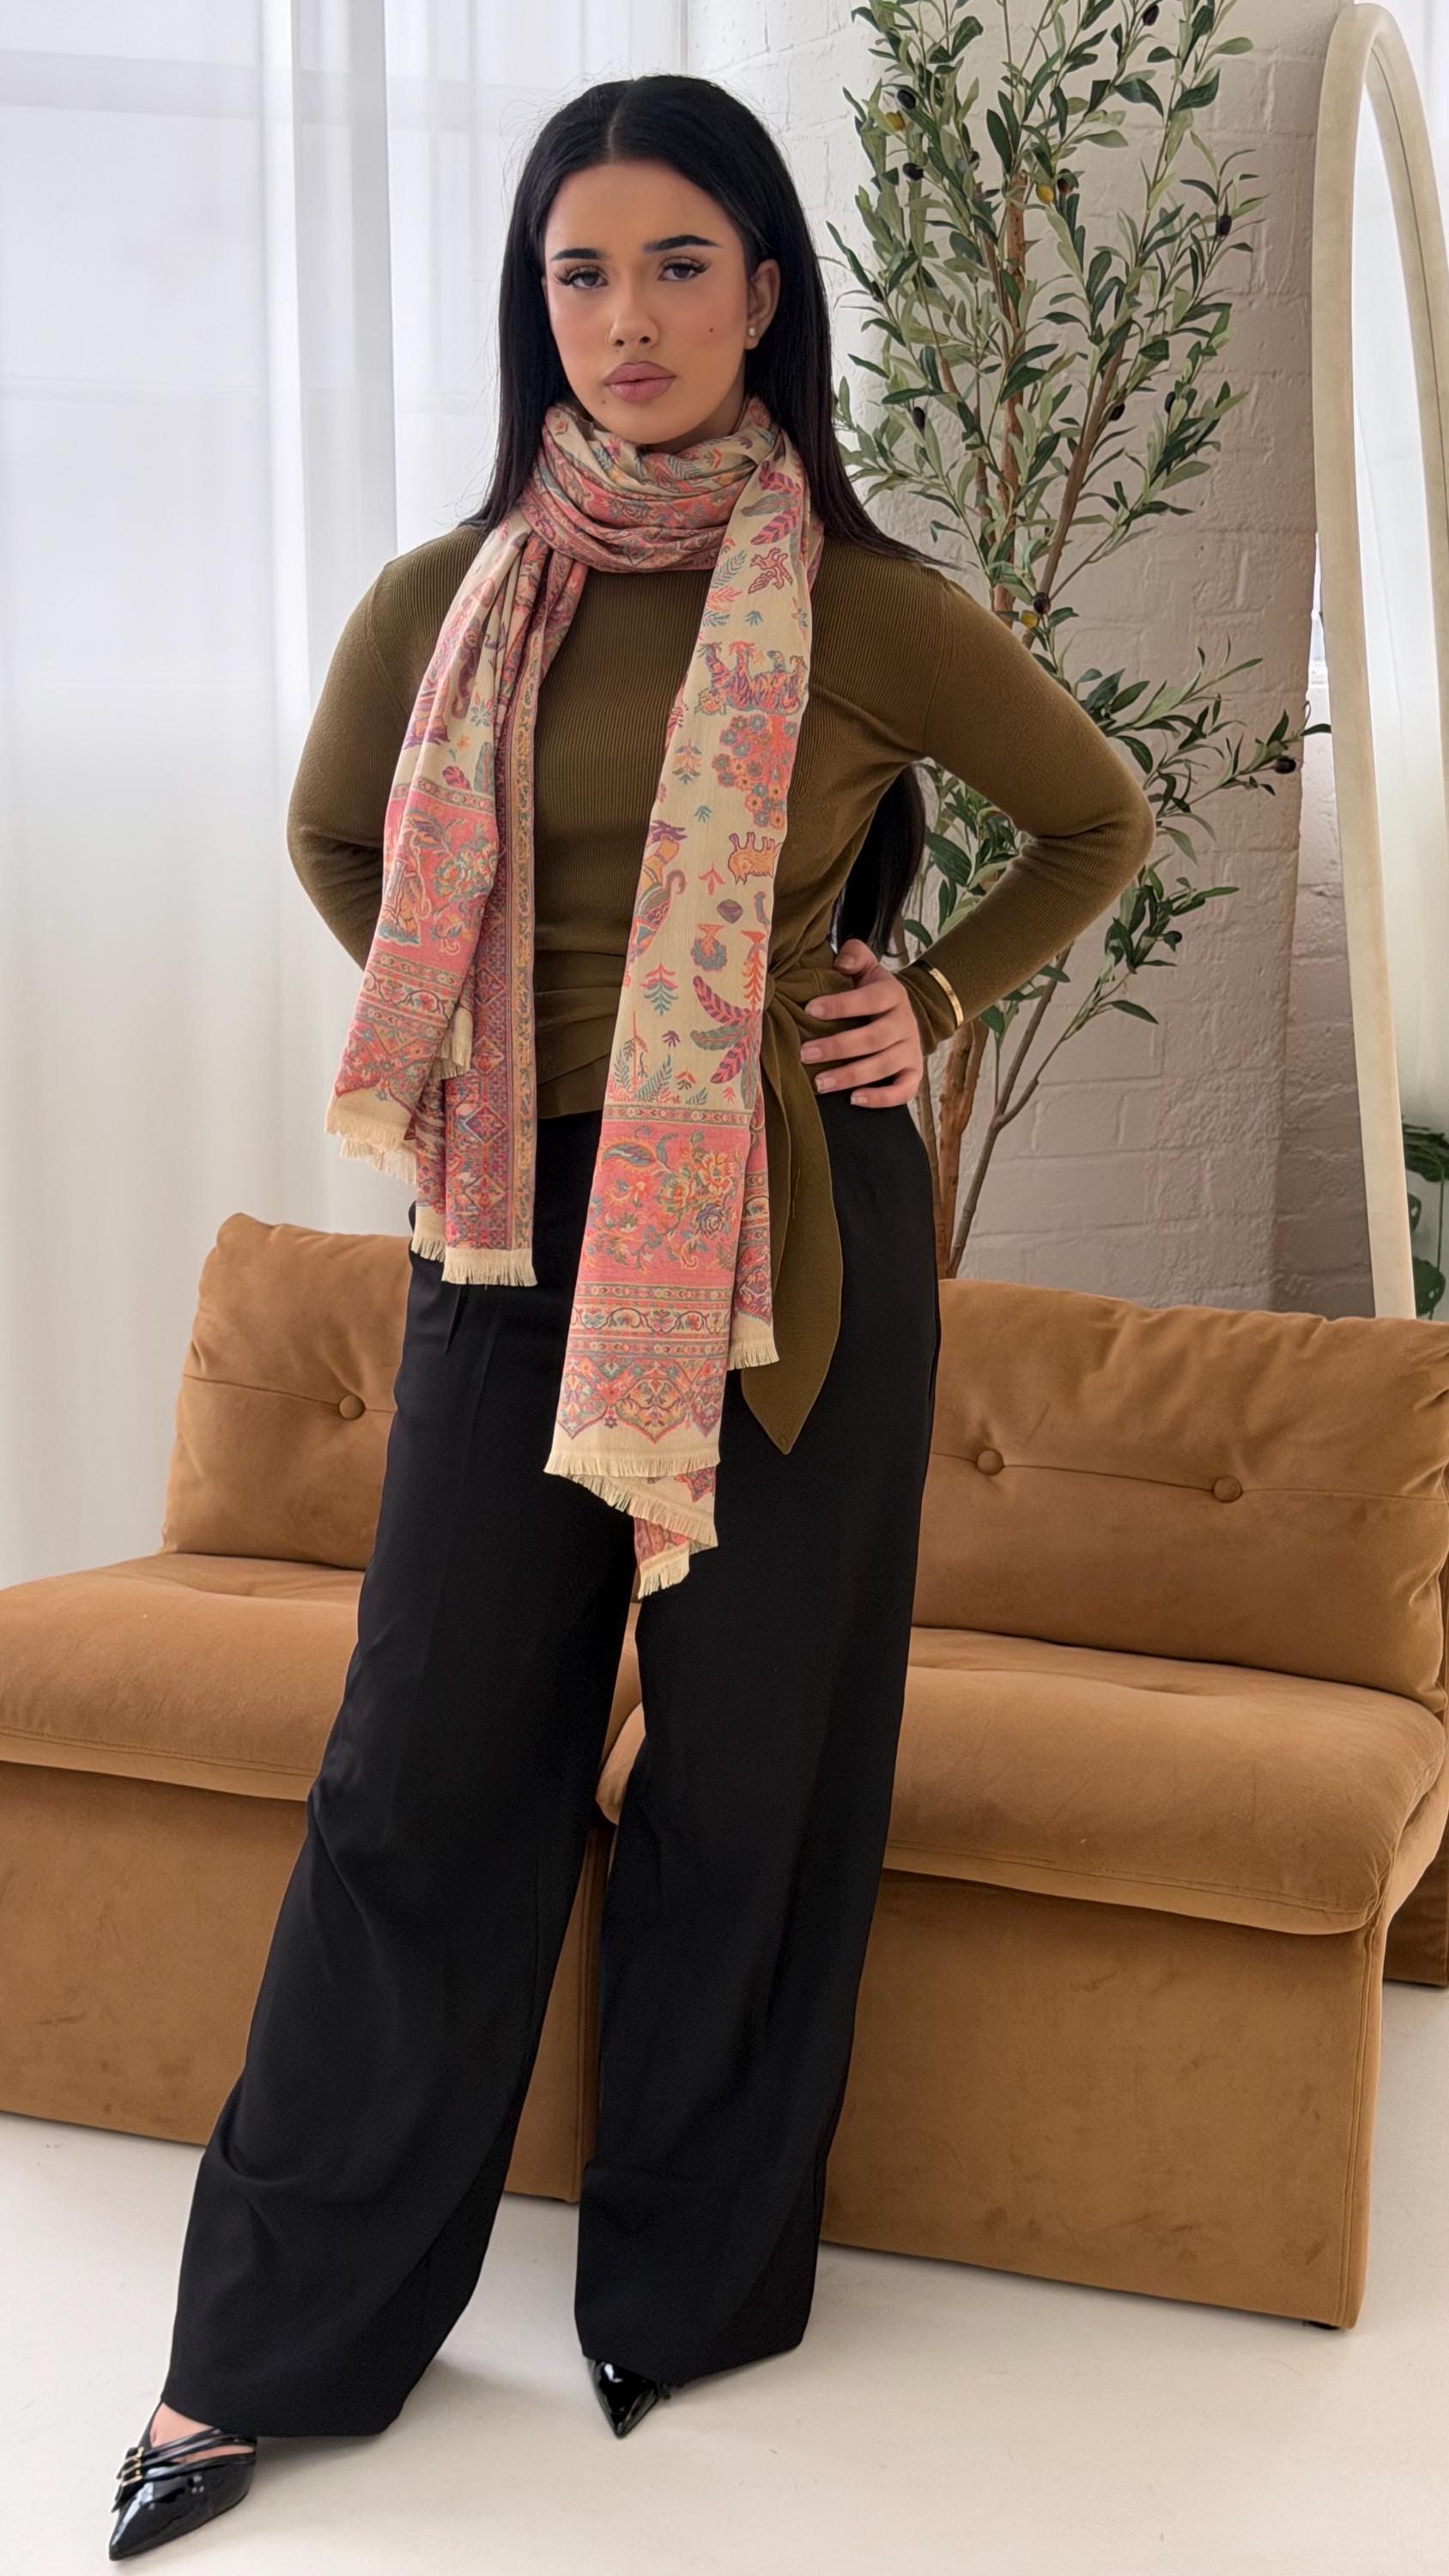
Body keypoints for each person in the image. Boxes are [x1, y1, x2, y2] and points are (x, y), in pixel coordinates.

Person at [106, 69, 1154, 2561]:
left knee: (747, 1778)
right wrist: (469, 1020)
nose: (631, 315)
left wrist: (936, 999)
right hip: (506, 1234)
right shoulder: (456, 596)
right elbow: (335, 831)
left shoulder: (870, 609)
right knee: (418, 1779)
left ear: (769, 291)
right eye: (583, 270)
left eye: (683, 262)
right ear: (534, 309)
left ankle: (680, 2298)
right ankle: (264, 2352)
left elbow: (1097, 818)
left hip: (795, 1244)